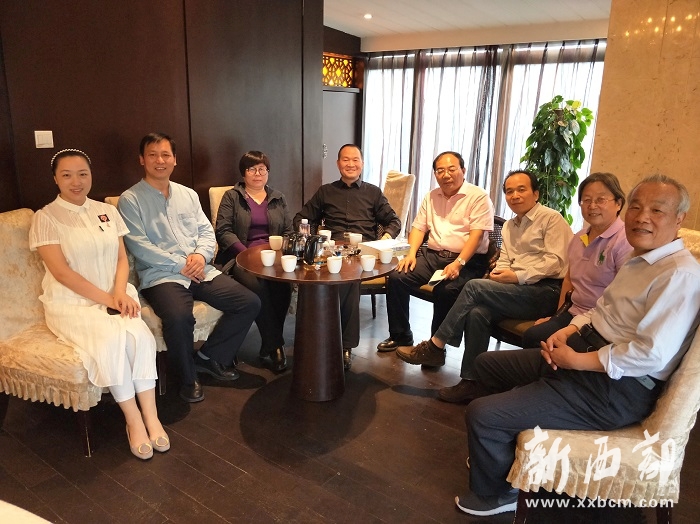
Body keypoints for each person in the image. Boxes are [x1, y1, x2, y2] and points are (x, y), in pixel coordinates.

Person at [455, 174, 700, 517]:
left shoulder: (679, 275)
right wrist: (569, 330)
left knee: (483, 414)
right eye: (637, 207)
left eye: (656, 210)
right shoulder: (640, 259)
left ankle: (499, 493)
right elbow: (600, 309)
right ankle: (503, 451)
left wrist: (576, 361)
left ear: (679, 218)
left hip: (613, 389)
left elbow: (650, 355)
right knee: (486, 364)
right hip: (585, 355)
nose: (642, 217)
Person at [29, 149, 168, 460]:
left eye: (83, 174)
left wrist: (119, 293)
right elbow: (62, 273)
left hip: (115, 295)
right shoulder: (45, 218)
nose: (76, 181)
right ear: (55, 179)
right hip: (71, 304)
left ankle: (152, 417)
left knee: (140, 337)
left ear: (91, 175)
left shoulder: (106, 211)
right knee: (112, 341)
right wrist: (110, 300)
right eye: (67, 175)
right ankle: (133, 420)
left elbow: (121, 258)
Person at [397, 170, 572, 402]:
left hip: (546, 291)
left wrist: (517, 276)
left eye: (521, 190)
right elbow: (505, 260)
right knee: (477, 313)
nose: (515, 196)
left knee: (473, 286)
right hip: (518, 291)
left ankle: (436, 346)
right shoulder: (510, 226)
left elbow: (556, 262)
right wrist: (499, 274)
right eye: (509, 191)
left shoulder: (551, 219)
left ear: (536, 193)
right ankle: (472, 382)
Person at [118, 133, 260, 403]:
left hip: (200, 269)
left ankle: (209, 357)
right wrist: (180, 264)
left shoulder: (188, 194)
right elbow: (139, 245)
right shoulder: (130, 199)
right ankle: (186, 377)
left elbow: (206, 231)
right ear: (142, 160)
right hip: (162, 276)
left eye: (166, 155)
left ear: (175, 160)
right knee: (178, 317)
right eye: (152, 155)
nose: (160, 160)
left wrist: (201, 256)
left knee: (249, 302)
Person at [293, 144, 401, 370]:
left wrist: (384, 239)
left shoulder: (373, 192)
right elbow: (302, 218)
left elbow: (393, 221)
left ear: (362, 163)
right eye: (345, 159)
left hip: (362, 253)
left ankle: (345, 346)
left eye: (355, 160)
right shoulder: (326, 191)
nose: (350, 164)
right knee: (307, 278)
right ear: (338, 163)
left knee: (349, 280)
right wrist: (312, 238)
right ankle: (311, 340)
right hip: (331, 250)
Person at [377, 151, 494, 353]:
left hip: (467, 260)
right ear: (435, 174)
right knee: (397, 277)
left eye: (451, 169)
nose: (446, 175)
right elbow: (418, 228)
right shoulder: (431, 196)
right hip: (433, 256)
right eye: (440, 171)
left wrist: (459, 263)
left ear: (463, 170)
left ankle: (434, 348)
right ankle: (401, 335)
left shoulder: (479, 196)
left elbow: (476, 236)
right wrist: (411, 254)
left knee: (445, 290)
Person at [522, 172, 633, 347]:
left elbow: (621, 300)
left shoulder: (625, 241)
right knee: (533, 336)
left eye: (601, 200)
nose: (592, 206)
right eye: (586, 200)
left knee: (551, 345)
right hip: (573, 311)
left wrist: (571, 328)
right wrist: (557, 316)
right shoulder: (580, 237)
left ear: (618, 203)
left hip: (601, 321)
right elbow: (569, 279)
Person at [214, 151, 293, 372]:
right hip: (241, 259)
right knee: (257, 287)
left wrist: (279, 252)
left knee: (283, 287)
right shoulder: (232, 197)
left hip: (273, 257)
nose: (257, 173)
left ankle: (270, 342)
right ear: (244, 173)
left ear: (268, 172)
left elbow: (288, 231)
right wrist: (245, 253)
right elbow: (223, 231)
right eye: (252, 169)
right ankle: (275, 346)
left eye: (262, 169)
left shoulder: (278, 197)